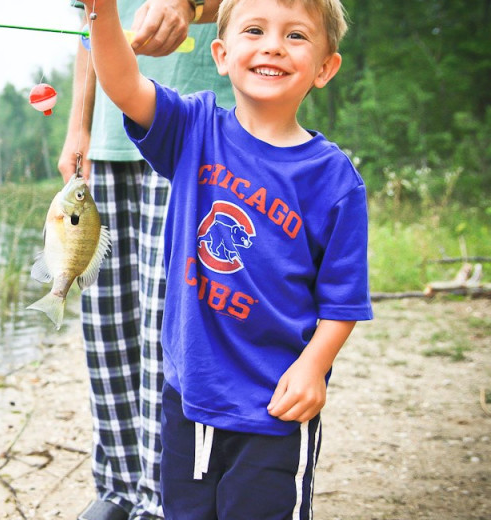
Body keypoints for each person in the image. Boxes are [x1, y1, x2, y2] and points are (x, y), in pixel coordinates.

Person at [73, 0, 374, 518]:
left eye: (296, 36)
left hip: (273, 408)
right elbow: (123, 84)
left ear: (326, 67)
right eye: (254, 30)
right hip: (187, 399)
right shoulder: (193, 129)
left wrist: (313, 368)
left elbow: (343, 302)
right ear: (221, 53)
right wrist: (102, 10)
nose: (273, 45)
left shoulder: (335, 180)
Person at [58, 1, 233, 519]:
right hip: (111, 143)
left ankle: (163, 498)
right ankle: (118, 488)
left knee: (171, 323)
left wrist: (190, 4)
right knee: (107, 325)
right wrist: (79, 127)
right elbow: (89, 25)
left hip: (196, 131)